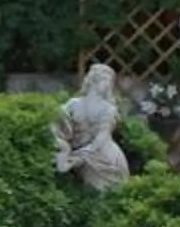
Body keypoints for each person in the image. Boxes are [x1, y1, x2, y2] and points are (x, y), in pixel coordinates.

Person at [53, 63, 131, 192]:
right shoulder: (73, 104)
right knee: (89, 196)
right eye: (104, 79)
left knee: (107, 195)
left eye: (109, 81)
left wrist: (78, 157)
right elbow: (58, 123)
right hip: (84, 156)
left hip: (105, 157)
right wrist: (63, 146)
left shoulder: (109, 109)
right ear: (92, 80)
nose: (107, 84)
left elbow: (102, 138)